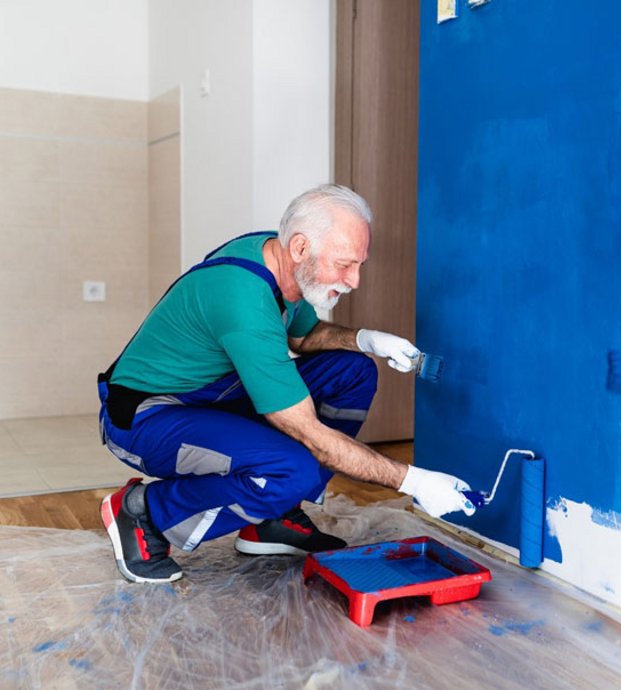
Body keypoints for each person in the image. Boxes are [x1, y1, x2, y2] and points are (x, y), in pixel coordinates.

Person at [97, 184, 475, 584]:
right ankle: (144, 513)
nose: (355, 280)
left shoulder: (276, 260)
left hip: (213, 396)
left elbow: (302, 338)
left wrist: (366, 339)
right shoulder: (243, 300)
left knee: (353, 372)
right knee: (291, 470)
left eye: (359, 264)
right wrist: (414, 481)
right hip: (145, 417)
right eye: (345, 265)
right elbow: (309, 433)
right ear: (299, 248)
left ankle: (273, 516)